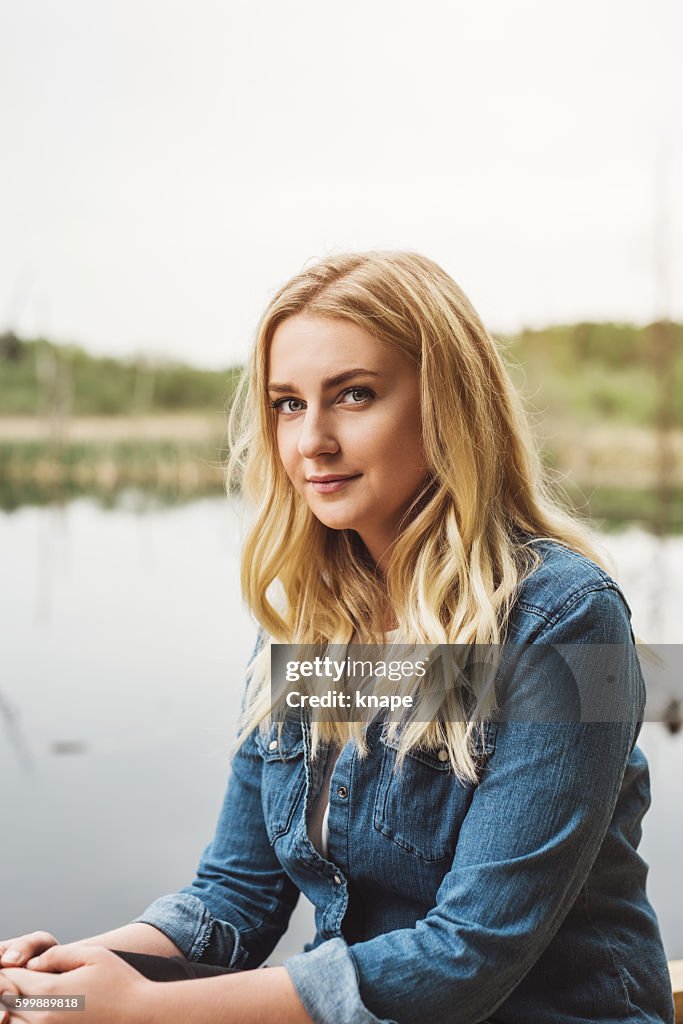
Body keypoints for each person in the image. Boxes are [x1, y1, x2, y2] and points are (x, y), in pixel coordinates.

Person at [0, 251, 674, 1024]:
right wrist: (72, 973)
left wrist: (138, 1009)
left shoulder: (568, 621)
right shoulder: (312, 622)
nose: (310, 440)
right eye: (287, 403)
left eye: (353, 395)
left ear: (447, 404)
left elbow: (468, 956)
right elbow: (233, 898)